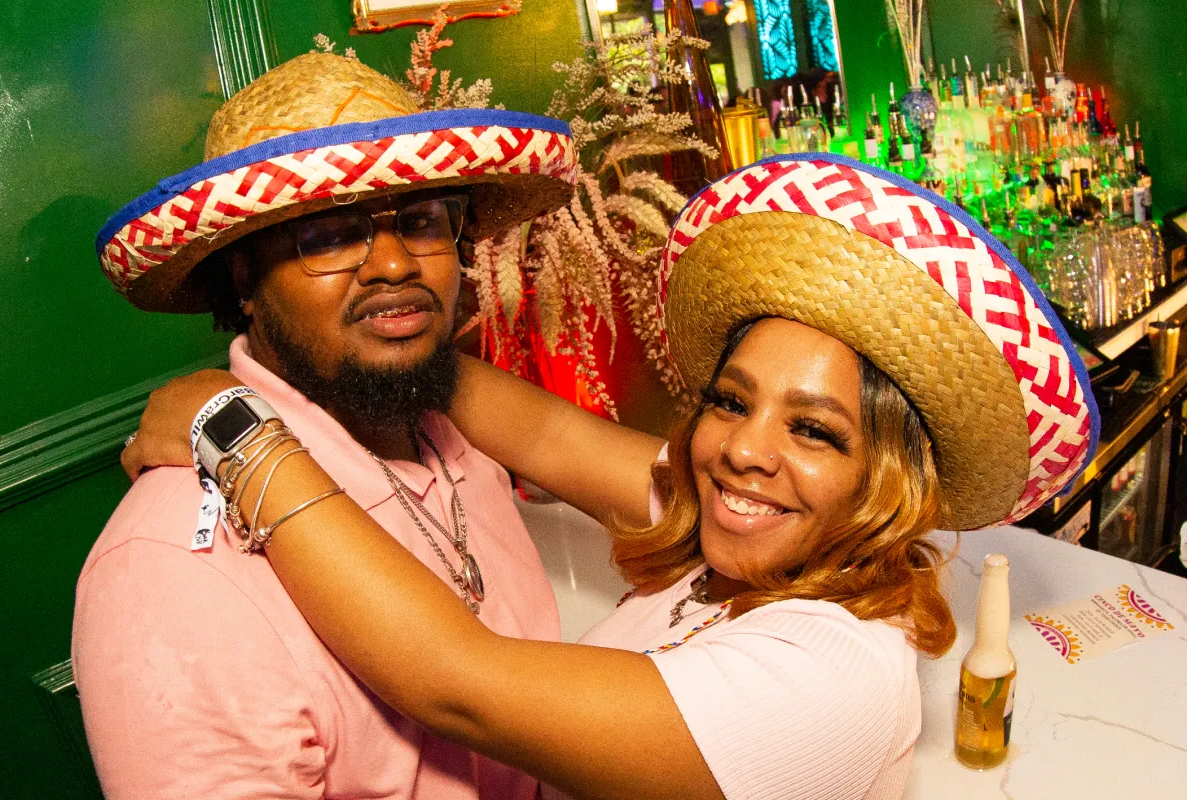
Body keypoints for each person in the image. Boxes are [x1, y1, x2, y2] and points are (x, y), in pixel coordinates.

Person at [124, 155, 1099, 799]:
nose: (746, 449)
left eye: (813, 428)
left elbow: (456, 682)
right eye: (729, 400)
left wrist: (236, 430)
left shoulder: (826, 671)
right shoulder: (751, 525)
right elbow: (546, 432)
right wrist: (388, 327)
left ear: (882, 476)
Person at [73, 51, 581, 799]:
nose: (393, 264)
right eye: (329, 236)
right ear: (244, 277)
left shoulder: (458, 440)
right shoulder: (172, 568)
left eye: (420, 221)